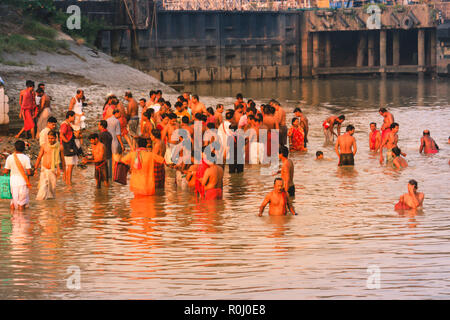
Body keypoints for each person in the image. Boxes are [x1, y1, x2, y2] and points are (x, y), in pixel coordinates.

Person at [34, 131, 64, 200]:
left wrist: (64, 171)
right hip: (44, 169)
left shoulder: (59, 147)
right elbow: (39, 157)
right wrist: (35, 168)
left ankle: (50, 208)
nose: (50, 140)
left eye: (52, 138)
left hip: (53, 170)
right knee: (42, 188)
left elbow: (62, 159)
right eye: (49, 138)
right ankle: (41, 206)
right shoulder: (44, 146)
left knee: (52, 191)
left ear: (56, 138)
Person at [4, 140, 32, 210]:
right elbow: (29, 172)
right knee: (21, 204)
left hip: (12, 183)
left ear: (15, 148)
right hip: (22, 183)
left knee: (13, 202)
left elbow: (6, 171)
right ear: (24, 148)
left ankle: (13, 219)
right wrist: (32, 172)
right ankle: (21, 218)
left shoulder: (10, 157)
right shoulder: (26, 158)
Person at [60, 111, 78, 186]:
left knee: (71, 164)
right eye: (73, 116)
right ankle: (68, 182)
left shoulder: (67, 124)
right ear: (69, 116)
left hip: (69, 146)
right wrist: (67, 143)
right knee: (70, 165)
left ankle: (67, 180)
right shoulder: (65, 124)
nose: (74, 118)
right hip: (67, 146)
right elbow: (61, 135)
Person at [107, 109, 124, 176]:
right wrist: (122, 145)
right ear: (116, 113)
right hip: (115, 142)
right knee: (116, 161)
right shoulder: (117, 121)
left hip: (108, 143)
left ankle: (110, 175)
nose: (121, 115)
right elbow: (118, 134)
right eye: (120, 113)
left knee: (110, 161)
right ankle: (116, 175)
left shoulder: (107, 120)